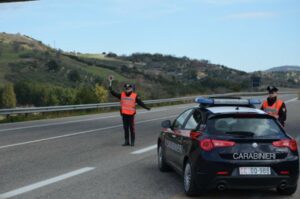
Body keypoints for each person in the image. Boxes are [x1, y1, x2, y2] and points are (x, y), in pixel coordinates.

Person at [109, 80, 150, 146]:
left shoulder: (135, 95)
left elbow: (140, 102)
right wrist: (110, 87)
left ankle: (132, 142)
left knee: (132, 128)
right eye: (126, 88)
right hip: (124, 115)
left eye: (128, 88)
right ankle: (126, 141)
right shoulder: (122, 95)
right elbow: (114, 93)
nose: (127, 90)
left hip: (131, 115)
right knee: (125, 129)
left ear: (131, 89)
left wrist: (146, 107)